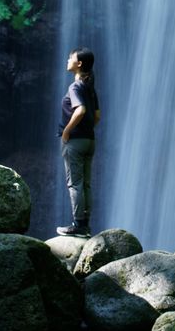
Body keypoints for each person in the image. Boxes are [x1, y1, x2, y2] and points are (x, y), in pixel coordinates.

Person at [58, 46, 100, 236]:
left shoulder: (75, 86)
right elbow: (97, 115)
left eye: (71, 57)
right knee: (86, 184)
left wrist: (67, 131)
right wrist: (87, 129)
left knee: (75, 183)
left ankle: (78, 225)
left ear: (79, 63)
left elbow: (80, 110)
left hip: (75, 141)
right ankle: (86, 224)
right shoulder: (90, 88)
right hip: (89, 140)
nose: (68, 60)